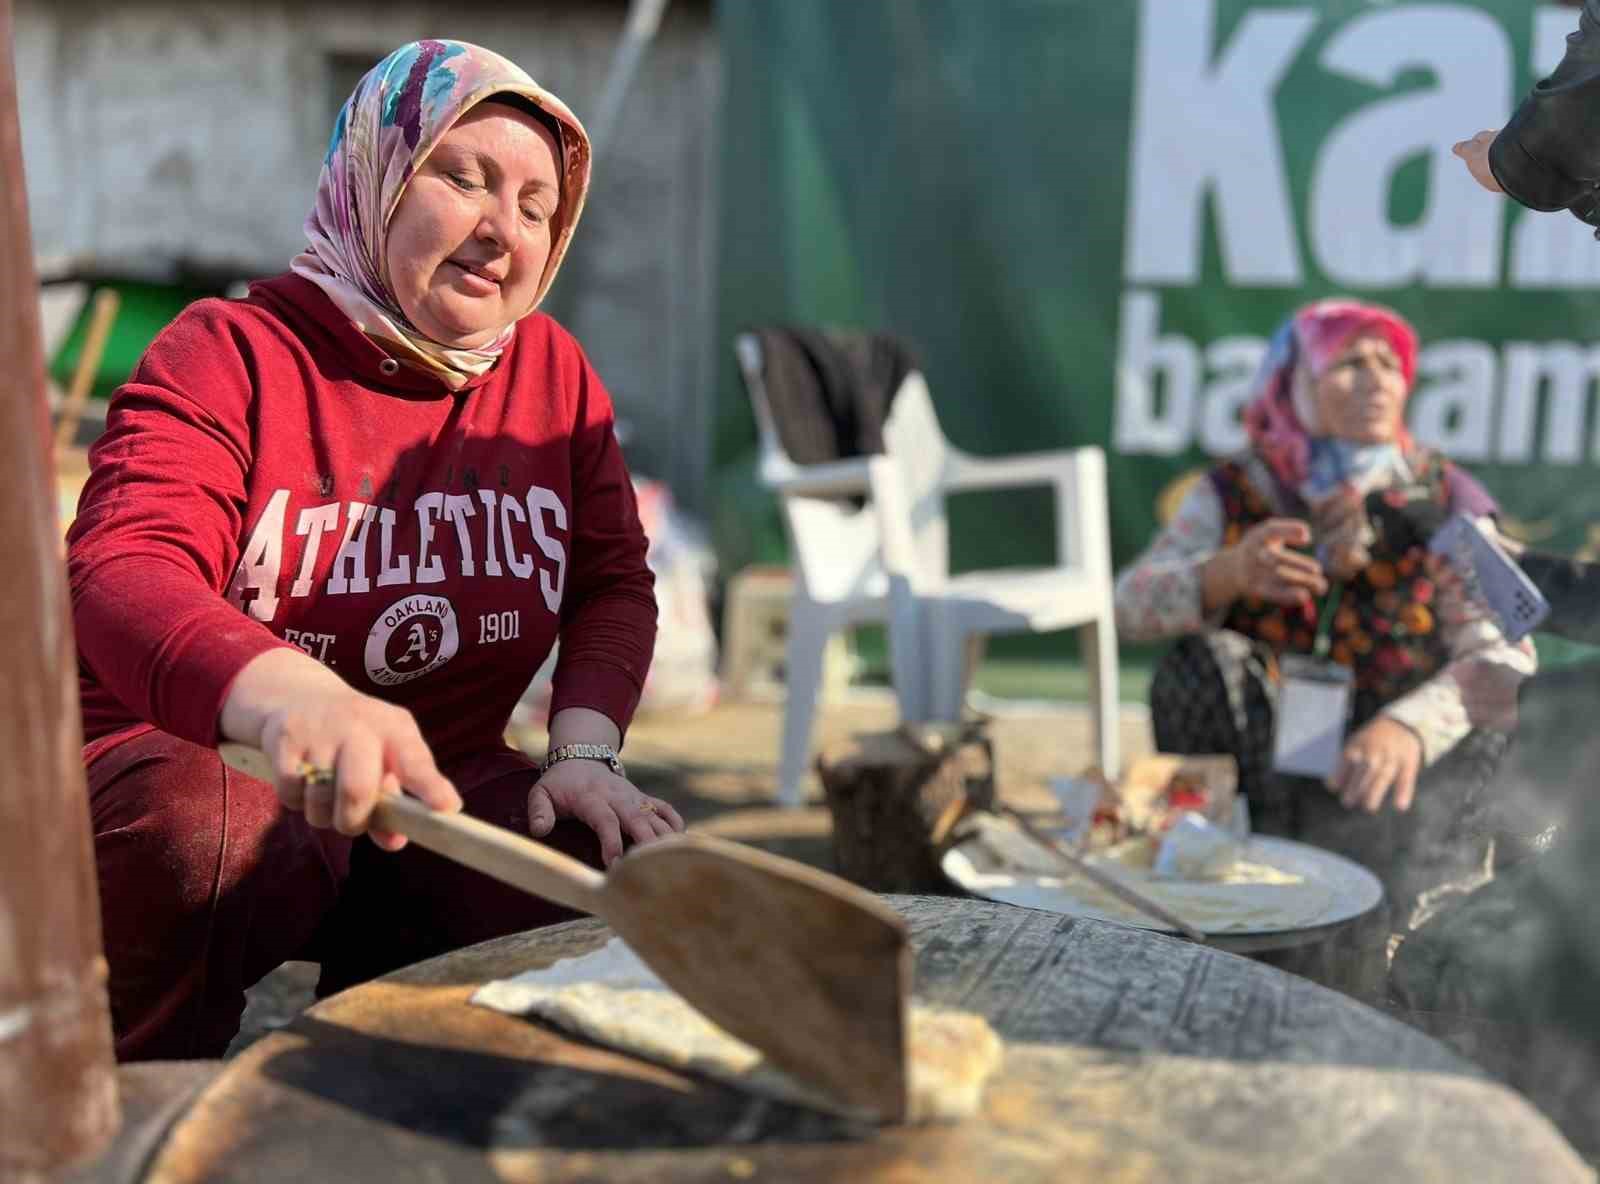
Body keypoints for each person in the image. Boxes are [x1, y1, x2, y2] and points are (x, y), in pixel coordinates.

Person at [65, 39, 683, 1061]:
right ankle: (125, 1096)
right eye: (463, 177)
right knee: (216, 820)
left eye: (536, 207)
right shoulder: (228, 351)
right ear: (374, 176)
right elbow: (123, 567)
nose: (501, 230)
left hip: (424, 797)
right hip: (198, 781)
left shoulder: (551, 377)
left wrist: (583, 753)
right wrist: (287, 698)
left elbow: (613, 576)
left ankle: (379, 1089)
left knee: (583, 853)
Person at [1114, 299, 1536, 999]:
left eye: (1389, 364)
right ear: (1292, 387)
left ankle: (1429, 928)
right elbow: (1127, 604)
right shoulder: (1241, 488)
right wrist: (1223, 573)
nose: (1376, 380)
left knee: (1494, 713)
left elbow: (1507, 652)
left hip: (1392, 772)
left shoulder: (1441, 496)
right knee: (1200, 665)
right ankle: (1241, 887)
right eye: (1346, 363)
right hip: (1272, 761)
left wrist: (1411, 724)